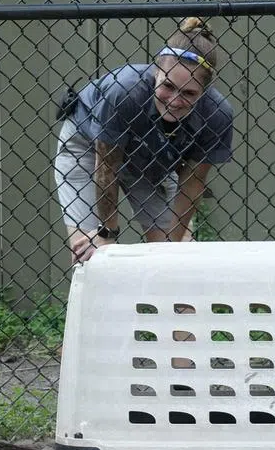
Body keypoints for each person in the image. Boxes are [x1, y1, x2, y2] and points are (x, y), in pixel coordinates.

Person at [53, 17, 235, 264]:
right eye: (168, 86)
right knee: (94, 255)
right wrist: (106, 232)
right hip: (88, 147)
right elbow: (106, 167)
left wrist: (170, 249)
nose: (174, 100)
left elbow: (192, 184)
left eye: (189, 93)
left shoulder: (217, 114)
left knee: (179, 259)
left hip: (151, 158)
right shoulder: (124, 90)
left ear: (204, 92)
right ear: (156, 72)